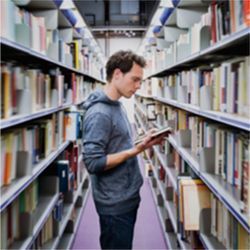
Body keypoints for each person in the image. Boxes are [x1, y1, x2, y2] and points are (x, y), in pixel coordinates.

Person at [82, 50, 169, 249]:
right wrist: (137, 150)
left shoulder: (117, 105)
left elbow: (117, 144)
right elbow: (93, 163)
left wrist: (144, 141)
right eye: (135, 80)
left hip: (126, 193)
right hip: (114, 202)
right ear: (118, 74)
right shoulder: (99, 114)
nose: (139, 86)